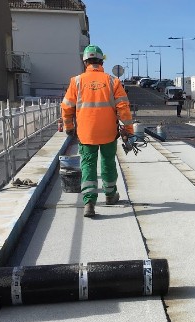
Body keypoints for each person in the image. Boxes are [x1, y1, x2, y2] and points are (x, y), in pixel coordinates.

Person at [61, 44, 134, 218]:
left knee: (88, 164)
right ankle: (110, 195)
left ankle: (89, 203)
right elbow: (123, 108)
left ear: (85, 61)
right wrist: (128, 130)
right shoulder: (112, 81)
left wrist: (69, 127)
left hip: (86, 133)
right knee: (108, 162)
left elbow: (66, 107)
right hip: (108, 132)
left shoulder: (76, 81)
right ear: (102, 61)